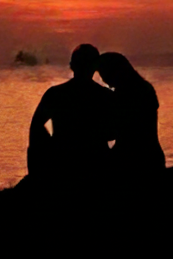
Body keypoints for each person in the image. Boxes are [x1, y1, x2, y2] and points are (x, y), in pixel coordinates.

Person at [27, 43, 115, 185]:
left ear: (72, 65)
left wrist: (50, 152)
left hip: (65, 163)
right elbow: (116, 131)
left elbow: (36, 126)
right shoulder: (105, 96)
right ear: (95, 67)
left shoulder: (55, 94)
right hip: (96, 163)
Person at [97, 52, 165, 176]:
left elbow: (115, 131)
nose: (103, 79)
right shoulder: (145, 88)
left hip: (129, 158)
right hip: (152, 155)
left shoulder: (122, 94)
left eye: (103, 73)